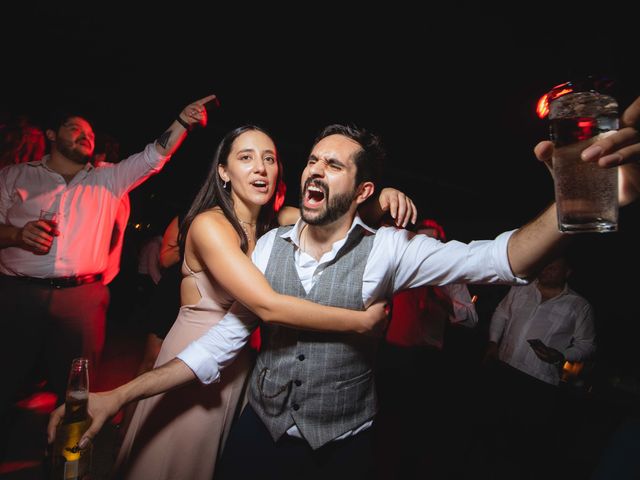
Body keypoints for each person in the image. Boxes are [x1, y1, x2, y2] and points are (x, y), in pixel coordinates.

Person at [49, 97, 640, 478]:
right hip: (260, 430)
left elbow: (497, 258)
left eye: (334, 165)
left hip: (343, 444)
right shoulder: (266, 248)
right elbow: (221, 341)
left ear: (362, 191)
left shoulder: (387, 251)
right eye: (311, 159)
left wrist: (574, 203)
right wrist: (120, 396)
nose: (312, 169)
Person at [111, 124, 415, 480]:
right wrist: (361, 323)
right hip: (196, 359)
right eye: (246, 157)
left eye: (269, 158)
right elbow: (267, 305)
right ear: (223, 172)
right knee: (177, 463)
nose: (261, 167)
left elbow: (340, 219)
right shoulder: (211, 225)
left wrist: (380, 198)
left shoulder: (279, 223)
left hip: (243, 366)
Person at [0, 94, 217, 435]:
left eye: (89, 132)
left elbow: (154, 156)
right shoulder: (14, 176)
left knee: (74, 389)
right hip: (17, 292)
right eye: (74, 128)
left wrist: (182, 121)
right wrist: (15, 235)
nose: (85, 135)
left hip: (81, 298)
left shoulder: (108, 179)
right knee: (6, 376)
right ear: (52, 135)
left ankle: (68, 461)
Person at [375, 218, 478, 479]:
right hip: (391, 353)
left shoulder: (450, 274)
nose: (427, 245)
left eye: (433, 240)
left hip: (427, 359)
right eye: (422, 239)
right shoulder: (400, 266)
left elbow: (471, 318)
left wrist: (442, 300)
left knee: (416, 426)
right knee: (384, 422)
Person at [477, 255, 595, 478]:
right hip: (504, 369)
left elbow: (587, 345)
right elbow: (502, 313)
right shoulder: (521, 288)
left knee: (521, 446)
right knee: (488, 433)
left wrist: (561, 355)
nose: (546, 269)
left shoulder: (579, 306)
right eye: (545, 264)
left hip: (539, 383)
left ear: (567, 272)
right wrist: (493, 342)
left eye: (554, 266)